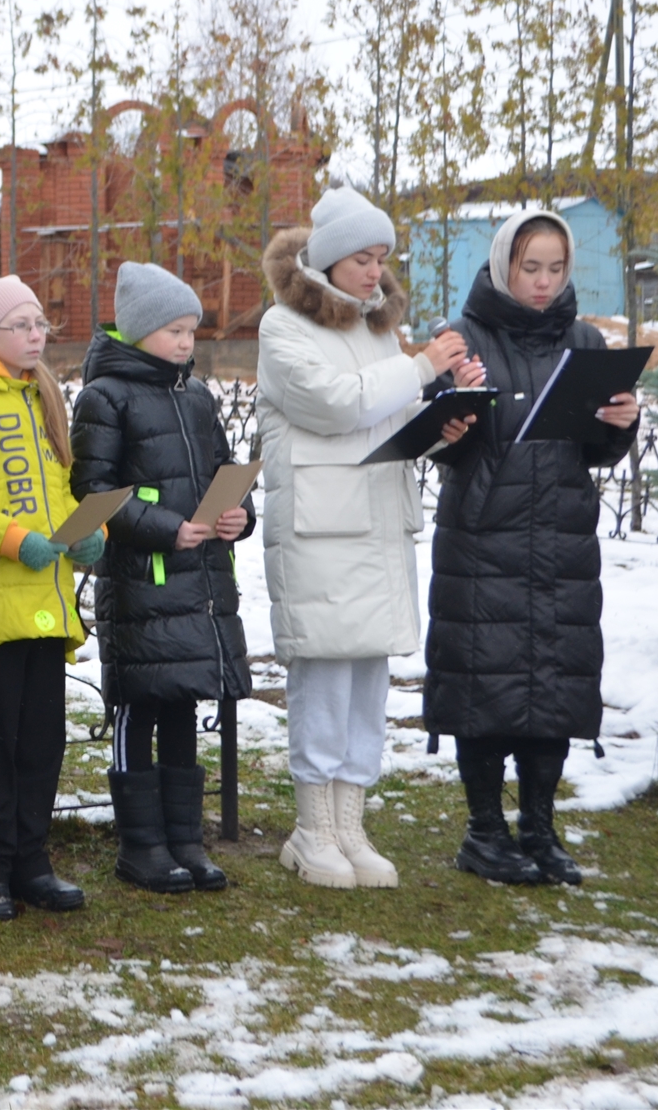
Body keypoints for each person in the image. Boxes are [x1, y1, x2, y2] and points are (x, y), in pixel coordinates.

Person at [256, 186, 479, 890]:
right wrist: (421, 366)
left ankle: (350, 826)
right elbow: (335, 403)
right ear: (326, 258)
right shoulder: (281, 326)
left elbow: (383, 421)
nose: (375, 271)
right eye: (361, 257)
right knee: (322, 678)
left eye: (382, 258)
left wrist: (438, 421)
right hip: (321, 530)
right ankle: (311, 829)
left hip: (377, 525)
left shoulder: (375, 326)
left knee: (364, 685)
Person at [424, 211, 638, 887]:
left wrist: (620, 424)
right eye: (530, 267)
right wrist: (451, 411)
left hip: (561, 537)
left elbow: (596, 447)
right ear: (501, 266)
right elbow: (437, 443)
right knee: (483, 683)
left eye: (555, 268)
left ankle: (540, 829)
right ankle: (484, 830)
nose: (543, 282)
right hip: (484, 537)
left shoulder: (584, 340)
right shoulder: (463, 339)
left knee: (553, 684)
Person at [71, 263, 254, 895]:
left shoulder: (196, 396)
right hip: (141, 581)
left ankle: (185, 840)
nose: (185, 343)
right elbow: (95, 493)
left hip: (197, 582)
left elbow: (223, 467)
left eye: (191, 332)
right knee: (139, 708)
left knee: (183, 704)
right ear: (140, 329)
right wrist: (164, 526)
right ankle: (141, 845)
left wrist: (238, 513)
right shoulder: (104, 397)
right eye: (173, 330)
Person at [0, 275, 104, 922]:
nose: (36, 335)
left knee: (41, 742)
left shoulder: (40, 395)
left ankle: (32, 860)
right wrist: (13, 540)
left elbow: (59, 492)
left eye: (40, 325)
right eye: (22, 325)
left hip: (45, 600)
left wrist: (91, 533)